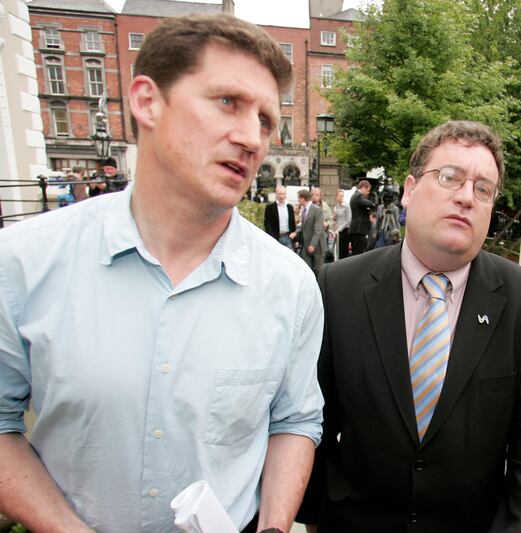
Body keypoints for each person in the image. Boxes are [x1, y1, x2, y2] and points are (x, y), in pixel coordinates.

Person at [0, 14, 323, 533]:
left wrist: (274, 527)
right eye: (227, 102)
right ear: (147, 101)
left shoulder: (291, 285)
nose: (251, 138)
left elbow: (295, 420)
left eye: (265, 120)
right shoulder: (22, 262)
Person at [298, 120, 521, 532]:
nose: (466, 198)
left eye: (483, 189)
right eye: (449, 178)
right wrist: (313, 514)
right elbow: (310, 417)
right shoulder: (338, 288)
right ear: (409, 189)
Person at [296, 189, 326, 274]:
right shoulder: (304, 210)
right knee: (307, 269)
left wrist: (313, 244)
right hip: (306, 244)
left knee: (318, 270)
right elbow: (303, 226)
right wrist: (296, 232)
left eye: (299, 198)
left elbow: (318, 229)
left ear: (303, 198)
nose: (298, 200)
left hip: (317, 245)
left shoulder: (316, 210)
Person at [348, 179, 375, 255]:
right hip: (359, 229)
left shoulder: (355, 196)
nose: (368, 193)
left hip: (356, 229)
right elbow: (369, 204)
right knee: (358, 252)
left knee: (356, 251)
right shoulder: (358, 196)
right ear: (363, 187)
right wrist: (373, 205)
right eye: (367, 190)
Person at [332, 189, 351, 260]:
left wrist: (340, 229)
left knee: (343, 250)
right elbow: (335, 221)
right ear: (336, 197)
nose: (341, 197)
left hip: (344, 230)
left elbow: (349, 219)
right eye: (340, 196)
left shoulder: (346, 206)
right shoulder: (336, 207)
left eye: (342, 196)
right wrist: (334, 219)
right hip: (338, 231)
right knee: (338, 250)